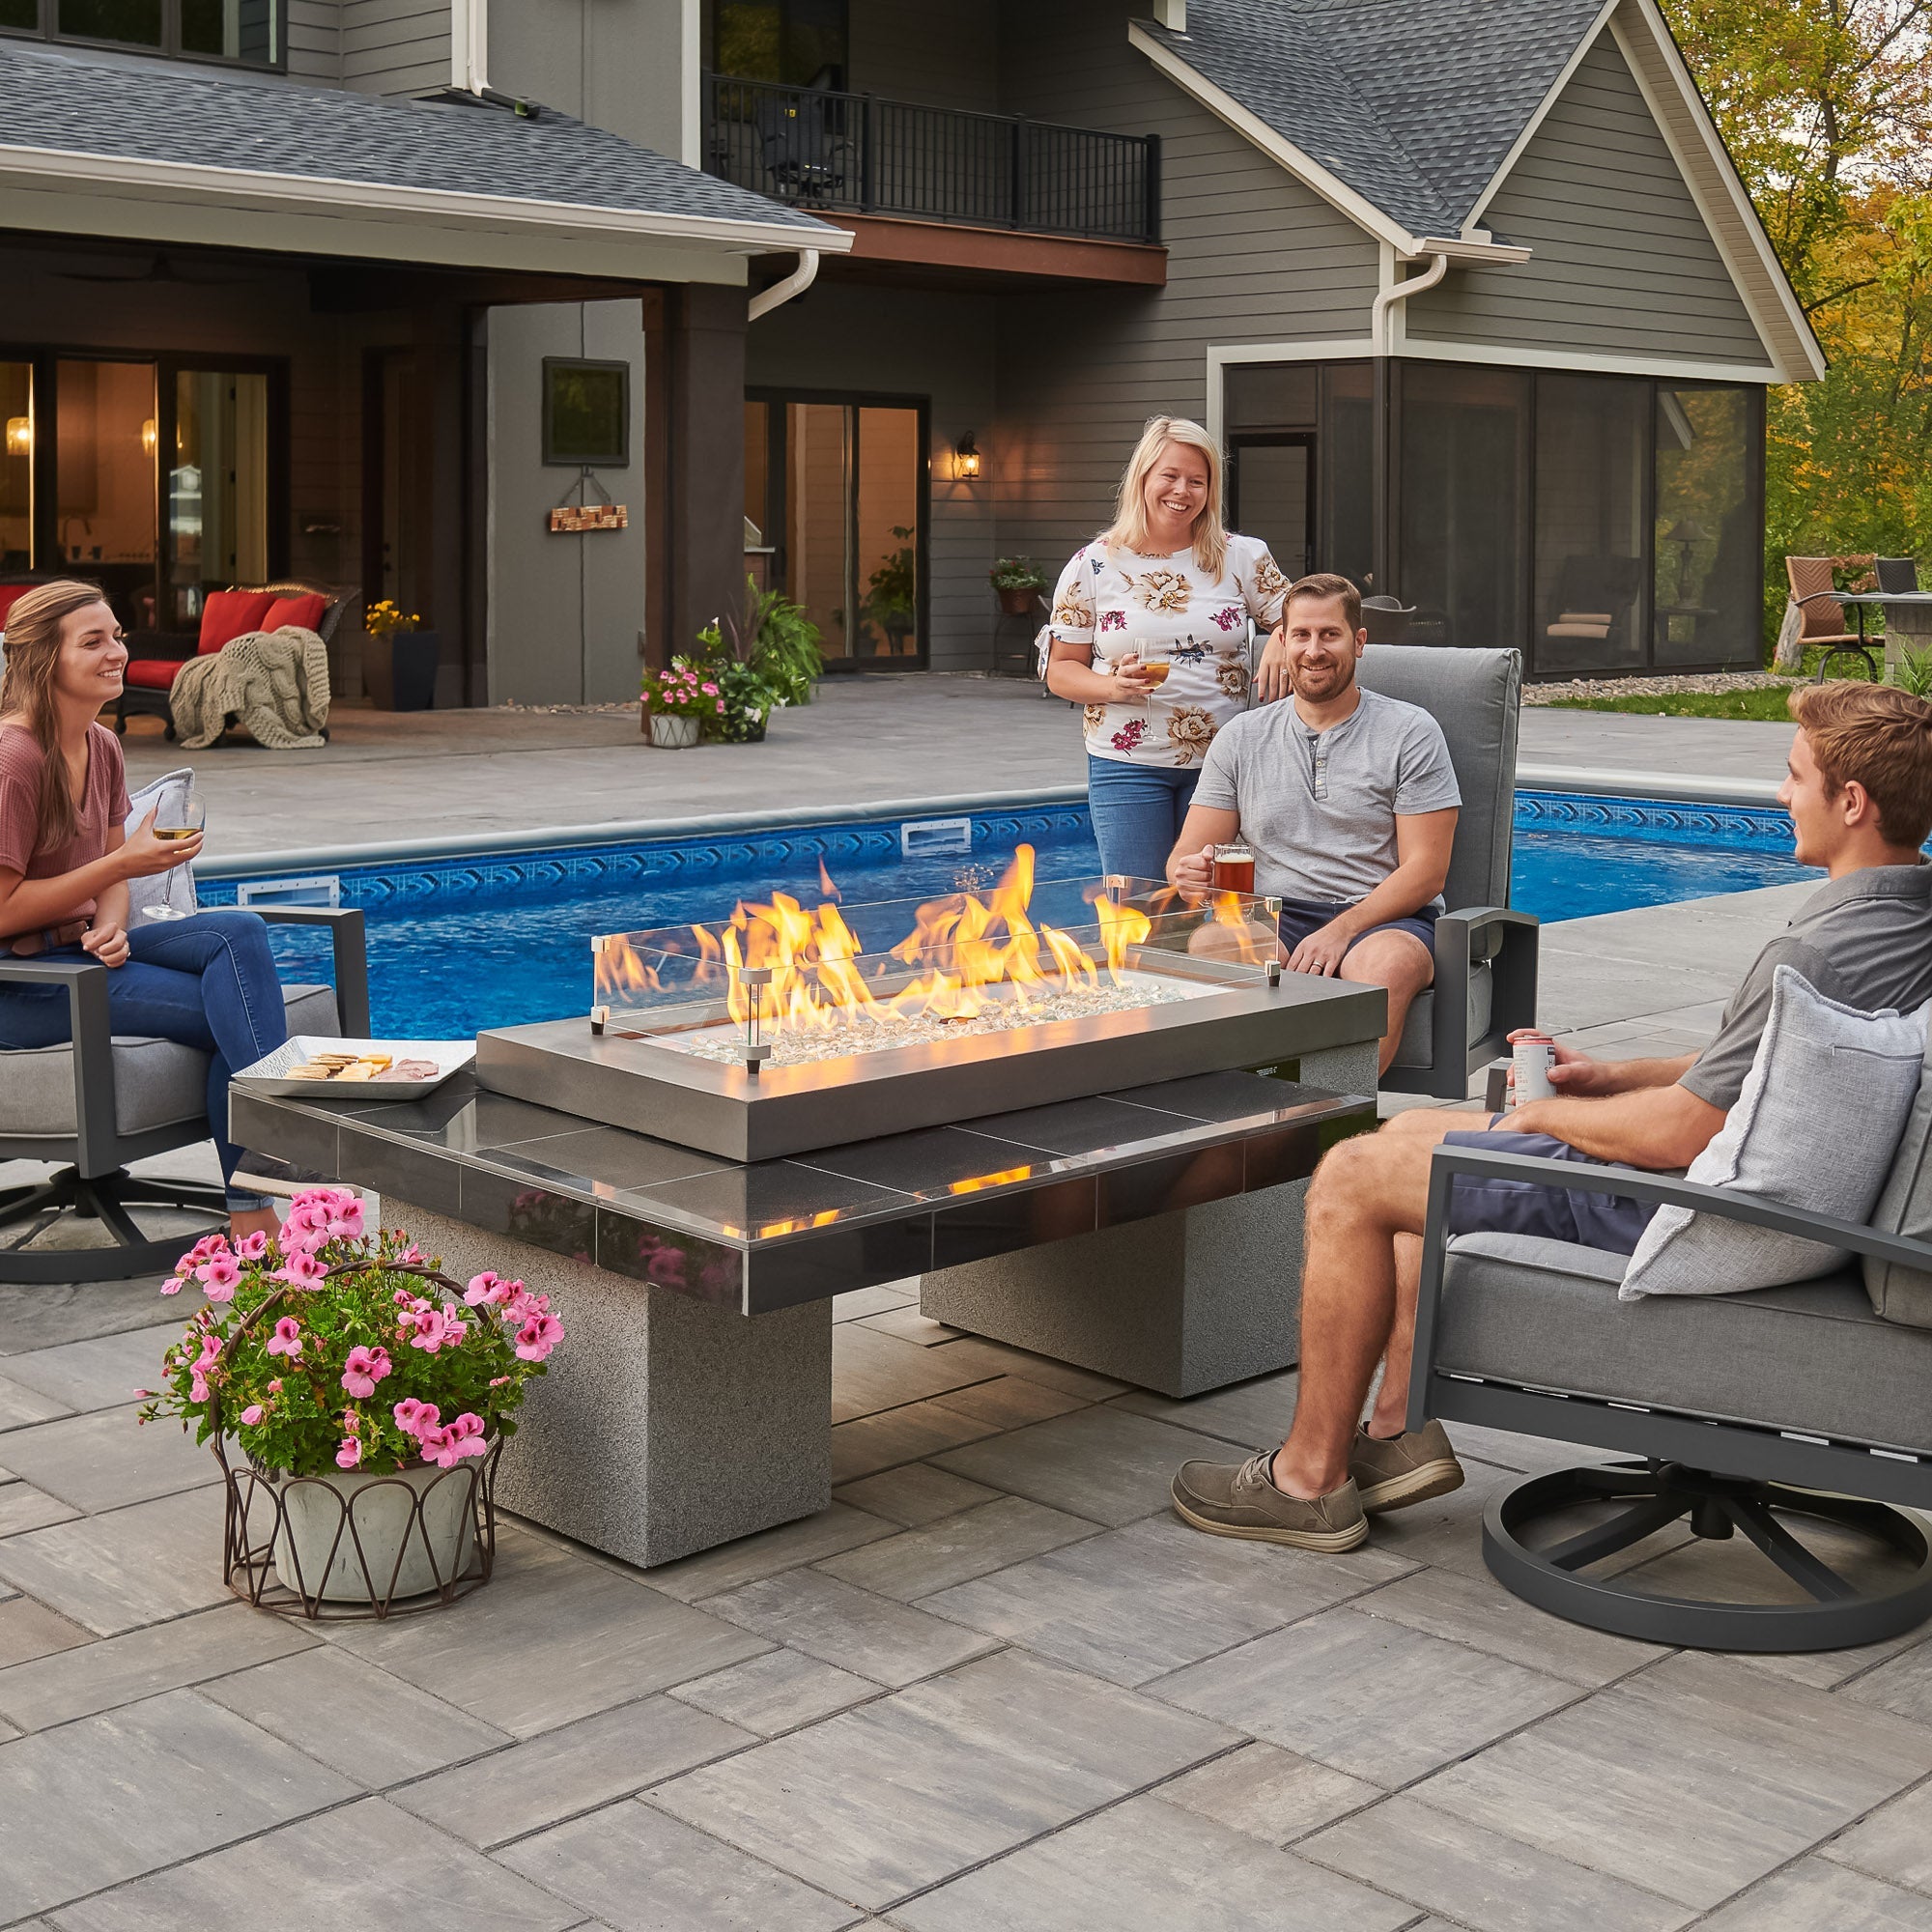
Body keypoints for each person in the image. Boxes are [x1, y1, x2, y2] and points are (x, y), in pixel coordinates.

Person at [1171, 679, 1932, 1553]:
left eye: (1793, 776)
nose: (1778, 793)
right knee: (1412, 1142)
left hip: (1707, 1217)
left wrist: (1550, 1123)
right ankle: (1394, 1432)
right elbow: (1780, 1066)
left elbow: (1680, 1133)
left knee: (1353, 1173)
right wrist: (1611, 1076)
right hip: (1780, 1199)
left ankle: (1306, 1480)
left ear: (1851, 801)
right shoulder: (1906, 915)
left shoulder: (1813, 950)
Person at [0, 580, 291, 1243]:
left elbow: (109, 869)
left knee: (239, 933)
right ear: (44, 658)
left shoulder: (101, 745)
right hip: (23, 983)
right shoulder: (14, 759)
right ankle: (258, 1206)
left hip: (74, 951)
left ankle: (258, 1197)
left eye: (118, 636)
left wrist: (108, 919)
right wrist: (122, 869)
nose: (117, 652)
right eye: (94, 640)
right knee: (239, 1019)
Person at [1167, 572, 1460, 1074]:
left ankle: (1326, 1121)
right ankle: (1248, 1120)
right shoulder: (1241, 737)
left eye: (1330, 634)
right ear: (1282, 641)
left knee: (1384, 965)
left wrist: (1342, 930)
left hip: (1383, 917)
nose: (1314, 650)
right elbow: (1187, 856)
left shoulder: (1411, 732)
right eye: (1300, 635)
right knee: (1214, 944)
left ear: (1359, 642)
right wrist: (1189, 873)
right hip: (1272, 913)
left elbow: (1427, 870)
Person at [1043, 415, 1293, 882]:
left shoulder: (1242, 555)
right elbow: (1061, 670)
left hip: (1225, 764)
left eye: (1197, 481)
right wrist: (1111, 686)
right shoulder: (1093, 564)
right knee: (1137, 907)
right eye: (1170, 476)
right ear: (1143, 479)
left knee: (1217, 905)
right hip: (1126, 765)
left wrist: (1280, 635)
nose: (1183, 491)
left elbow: (1303, 619)